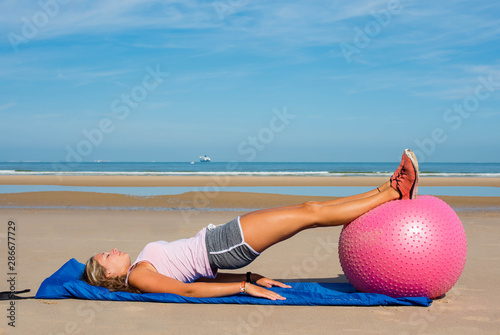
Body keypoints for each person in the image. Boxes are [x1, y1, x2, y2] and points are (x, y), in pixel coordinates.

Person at [83, 149, 419, 301]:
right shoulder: (139, 275)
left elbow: (194, 273)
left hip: (222, 244)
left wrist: (247, 276)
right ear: (109, 276)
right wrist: (242, 288)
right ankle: (394, 190)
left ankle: (387, 188)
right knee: (311, 215)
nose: (111, 251)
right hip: (224, 245)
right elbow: (188, 289)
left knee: (310, 209)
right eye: (105, 257)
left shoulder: (143, 266)